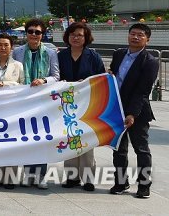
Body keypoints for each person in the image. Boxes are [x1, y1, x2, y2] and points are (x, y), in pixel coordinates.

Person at [109, 23, 159, 199]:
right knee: (119, 149)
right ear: (128, 35)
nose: (135, 37)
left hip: (138, 112)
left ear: (147, 39)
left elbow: (142, 91)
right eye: (133, 34)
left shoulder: (150, 61)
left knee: (141, 150)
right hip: (117, 109)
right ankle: (121, 182)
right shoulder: (119, 54)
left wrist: (132, 114)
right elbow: (112, 78)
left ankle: (144, 185)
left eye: (140, 35)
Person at [56, 22, 105, 192]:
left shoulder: (94, 56)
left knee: (86, 139)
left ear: (86, 38)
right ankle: (72, 177)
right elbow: (55, 77)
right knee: (70, 137)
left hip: (87, 104)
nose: (76, 38)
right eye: (72, 35)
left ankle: (88, 178)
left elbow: (101, 80)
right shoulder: (60, 56)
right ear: (67, 37)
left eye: (79, 35)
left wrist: (83, 84)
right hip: (66, 104)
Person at [12, 18, 58, 189]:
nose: (33, 35)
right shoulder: (17, 52)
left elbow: (56, 76)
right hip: (23, 102)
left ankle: (41, 176)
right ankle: (28, 174)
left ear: (42, 34)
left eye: (37, 32)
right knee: (25, 138)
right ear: (26, 33)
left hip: (43, 102)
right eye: (30, 31)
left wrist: (44, 80)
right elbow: (13, 73)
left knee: (42, 138)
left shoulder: (51, 53)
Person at [0, 33, 24, 190]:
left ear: (11, 47)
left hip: (12, 109)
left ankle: (11, 177)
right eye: (0, 45)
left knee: (11, 144)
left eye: (6, 45)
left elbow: (23, 86)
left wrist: (7, 84)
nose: (3, 48)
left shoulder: (18, 65)